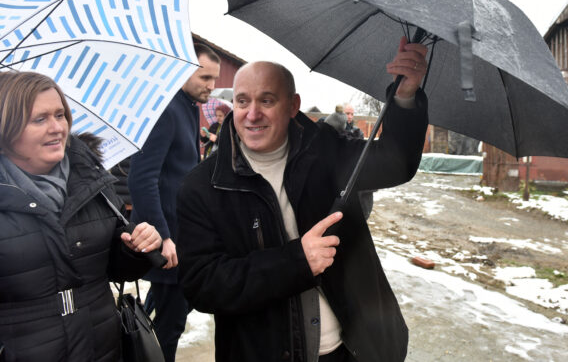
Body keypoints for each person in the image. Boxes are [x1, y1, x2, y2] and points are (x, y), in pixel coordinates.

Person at [177, 37, 429, 362]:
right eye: (242, 101)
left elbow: (396, 164)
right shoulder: (203, 186)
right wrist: (296, 262)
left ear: (293, 105)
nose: (252, 114)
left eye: (267, 100)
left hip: (353, 350)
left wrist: (405, 97)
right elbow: (201, 285)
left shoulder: (324, 150)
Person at [0, 71, 162, 362]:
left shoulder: (90, 178)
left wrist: (134, 248)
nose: (56, 128)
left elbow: (115, 269)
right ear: (6, 127)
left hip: (102, 346)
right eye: (40, 119)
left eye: (60, 115)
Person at [128, 42, 221, 362]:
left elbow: (181, 172)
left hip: (183, 237)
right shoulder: (166, 111)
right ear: (182, 71)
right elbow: (141, 179)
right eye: (205, 77)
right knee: (169, 328)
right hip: (167, 242)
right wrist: (163, 236)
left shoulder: (189, 107)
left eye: (214, 78)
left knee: (164, 317)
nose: (212, 85)